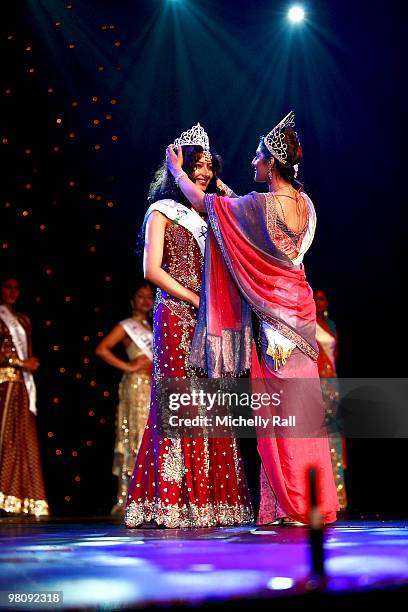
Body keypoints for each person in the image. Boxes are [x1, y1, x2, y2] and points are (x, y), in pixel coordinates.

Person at [166, 112, 339, 526]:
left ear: (271, 163)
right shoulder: (305, 204)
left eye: (258, 157)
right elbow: (238, 210)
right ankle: (298, 502)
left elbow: (208, 205)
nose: (252, 162)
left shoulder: (261, 206)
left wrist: (177, 170)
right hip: (297, 312)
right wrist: (226, 192)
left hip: (272, 320)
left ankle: (296, 503)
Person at [125, 123, 253, 528]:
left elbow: (246, 212)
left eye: (208, 167)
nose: (203, 172)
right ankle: (174, 499)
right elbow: (151, 270)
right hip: (177, 316)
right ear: (177, 166)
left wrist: (214, 183)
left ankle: (213, 501)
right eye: (195, 165)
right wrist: (196, 298)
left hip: (211, 320)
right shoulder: (162, 210)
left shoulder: (213, 216)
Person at [95, 282, 154, 514]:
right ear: (132, 300)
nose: (145, 301)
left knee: (152, 436)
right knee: (138, 435)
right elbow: (102, 349)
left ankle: (150, 493)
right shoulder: (127, 326)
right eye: (140, 296)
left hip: (153, 385)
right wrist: (128, 367)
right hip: (137, 385)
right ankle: (131, 495)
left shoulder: (153, 326)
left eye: (149, 297)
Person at [0, 276, 49, 516]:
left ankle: (18, 498)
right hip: (3, 384)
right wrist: (19, 361)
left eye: (16, 287)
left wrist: (28, 363)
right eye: (7, 287)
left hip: (21, 385)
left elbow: (27, 352)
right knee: (5, 437)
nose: (12, 292)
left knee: (21, 438)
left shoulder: (23, 320)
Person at [314, 289, 347, 510]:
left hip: (332, 383)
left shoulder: (332, 326)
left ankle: (339, 497)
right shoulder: (307, 324)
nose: (319, 302)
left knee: (334, 437)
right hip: (315, 385)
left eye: (322, 298)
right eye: (315, 299)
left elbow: (335, 355)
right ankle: (321, 497)